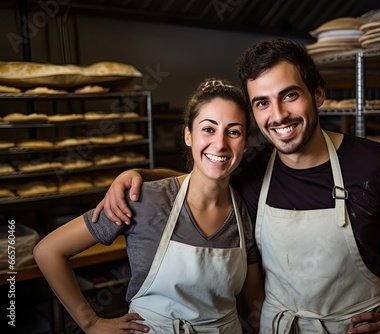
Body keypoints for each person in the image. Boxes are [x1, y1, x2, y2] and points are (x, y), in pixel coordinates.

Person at [93, 38, 380, 333]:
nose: (277, 115)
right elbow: (204, 174)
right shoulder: (254, 169)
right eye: (261, 103)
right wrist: (139, 175)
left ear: (318, 94)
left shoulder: (377, 165)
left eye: (289, 96)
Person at [34, 79, 264, 334]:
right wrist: (90, 322)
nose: (220, 143)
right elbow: (48, 251)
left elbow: (253, 303)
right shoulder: (145, 200)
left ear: (244, 143)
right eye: (208, 129)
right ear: (188, 135)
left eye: (233, 132)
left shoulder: (244, 212)